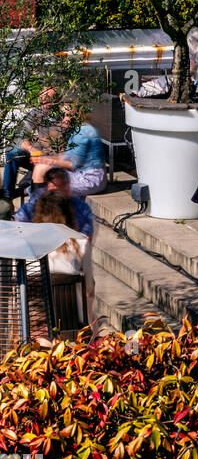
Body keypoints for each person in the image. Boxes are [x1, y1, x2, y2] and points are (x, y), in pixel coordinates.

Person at [30, 189, 95, 326]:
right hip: (71, 321)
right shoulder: (80, 243)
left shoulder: (26, 247)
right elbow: (89, 286)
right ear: (69, 214)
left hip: (35, 323)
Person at [30, 102, 107, 196]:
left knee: (42, 170)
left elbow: (72, 164)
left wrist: (48, 160)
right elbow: (66, 157)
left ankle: (35, 199)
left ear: (77, 116)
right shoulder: (77, 129)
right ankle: (34, 197)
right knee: (41, 168)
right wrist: (45, 159)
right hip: (79, 173)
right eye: (62, 116)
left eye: (68, 115)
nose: (64, 119)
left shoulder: (83, 132)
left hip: (89, 179)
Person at [17, 166, 95, 237]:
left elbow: (86, 236)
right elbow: (19, 229)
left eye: (64, 185)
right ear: (46, 188)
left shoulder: (81, 208)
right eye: (55, 187)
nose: (59, 191)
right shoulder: (30, 208)